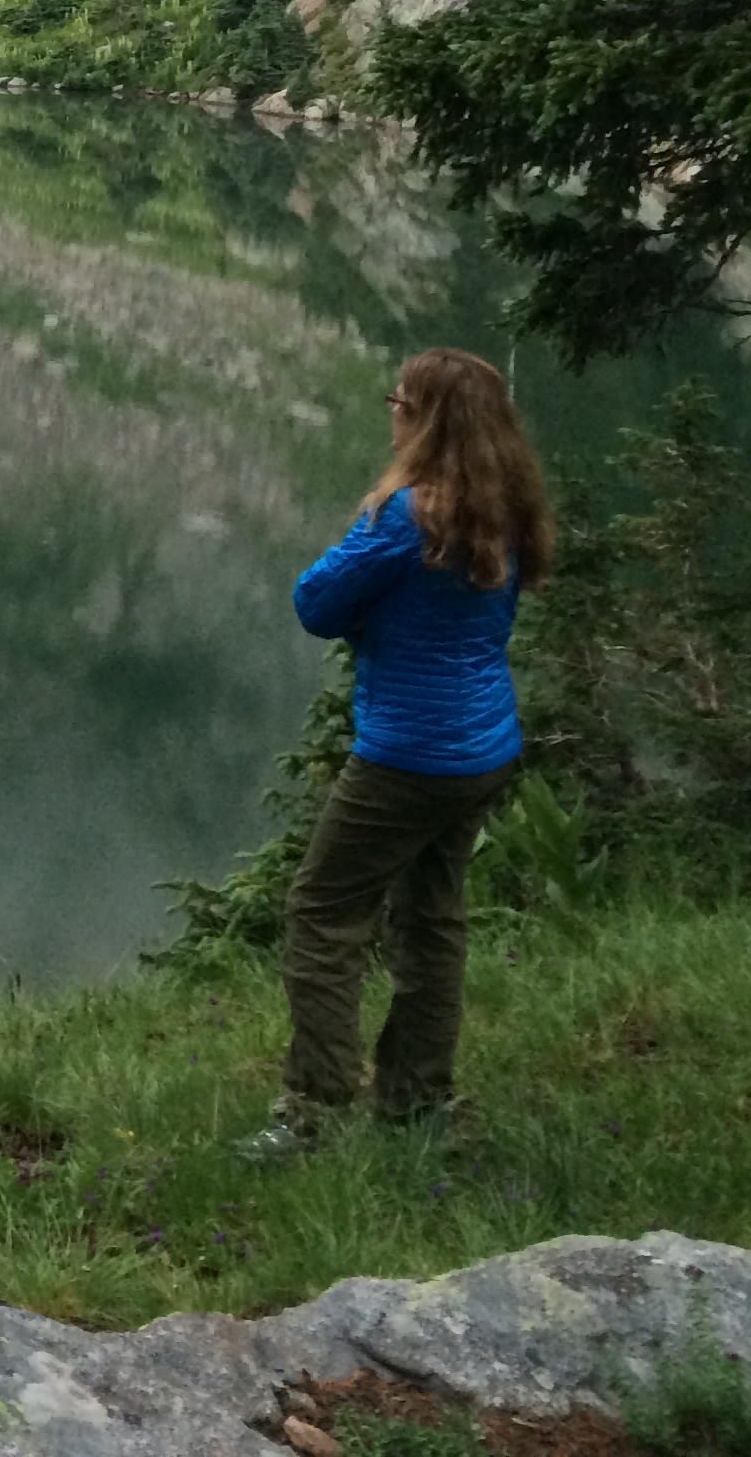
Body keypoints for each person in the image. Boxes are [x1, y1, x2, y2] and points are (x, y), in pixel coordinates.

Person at [240, 346, 555, 1160]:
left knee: (321, 912)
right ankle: (417, 1098)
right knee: (433, 917)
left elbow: (314, 602)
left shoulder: (407, 516)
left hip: (405, 755)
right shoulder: (507, 510)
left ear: (424, 420)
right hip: (482, 748)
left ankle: (313, 1109)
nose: (390, 411)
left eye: (399, 401)